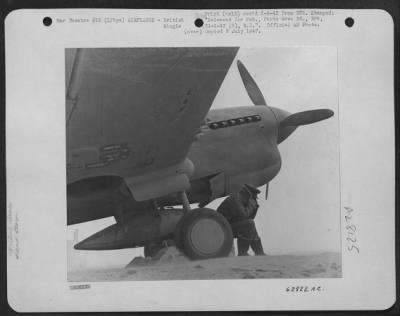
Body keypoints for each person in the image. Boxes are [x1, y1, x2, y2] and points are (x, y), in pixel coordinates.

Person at [217, 184, 266, 256]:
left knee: (251, 225)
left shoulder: (240, 200)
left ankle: (259, 252)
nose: (255, 199)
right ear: (248, 194)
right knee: (250, 224)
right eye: (254, 197)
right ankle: (242, 253)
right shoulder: (235, 199)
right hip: (220, 229)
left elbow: (249, 219)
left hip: (227, 227)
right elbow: (243, 217)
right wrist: (251, 206)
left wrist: (254, 208)